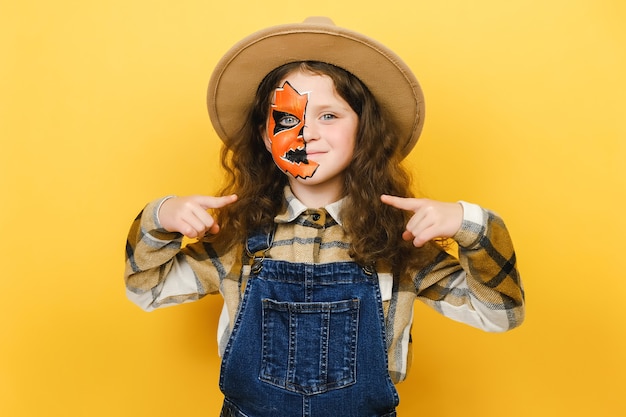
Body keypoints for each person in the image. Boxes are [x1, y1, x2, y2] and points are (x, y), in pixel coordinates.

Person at [124, 17, 525, 417]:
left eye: (328, 116)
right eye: (286, 120)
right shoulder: (238, 239)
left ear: (364, 130)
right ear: (266, 137)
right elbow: (145, 289)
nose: (305, 135)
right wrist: (160, 217)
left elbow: (501, 314)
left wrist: (470, 224)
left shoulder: (399, 243)